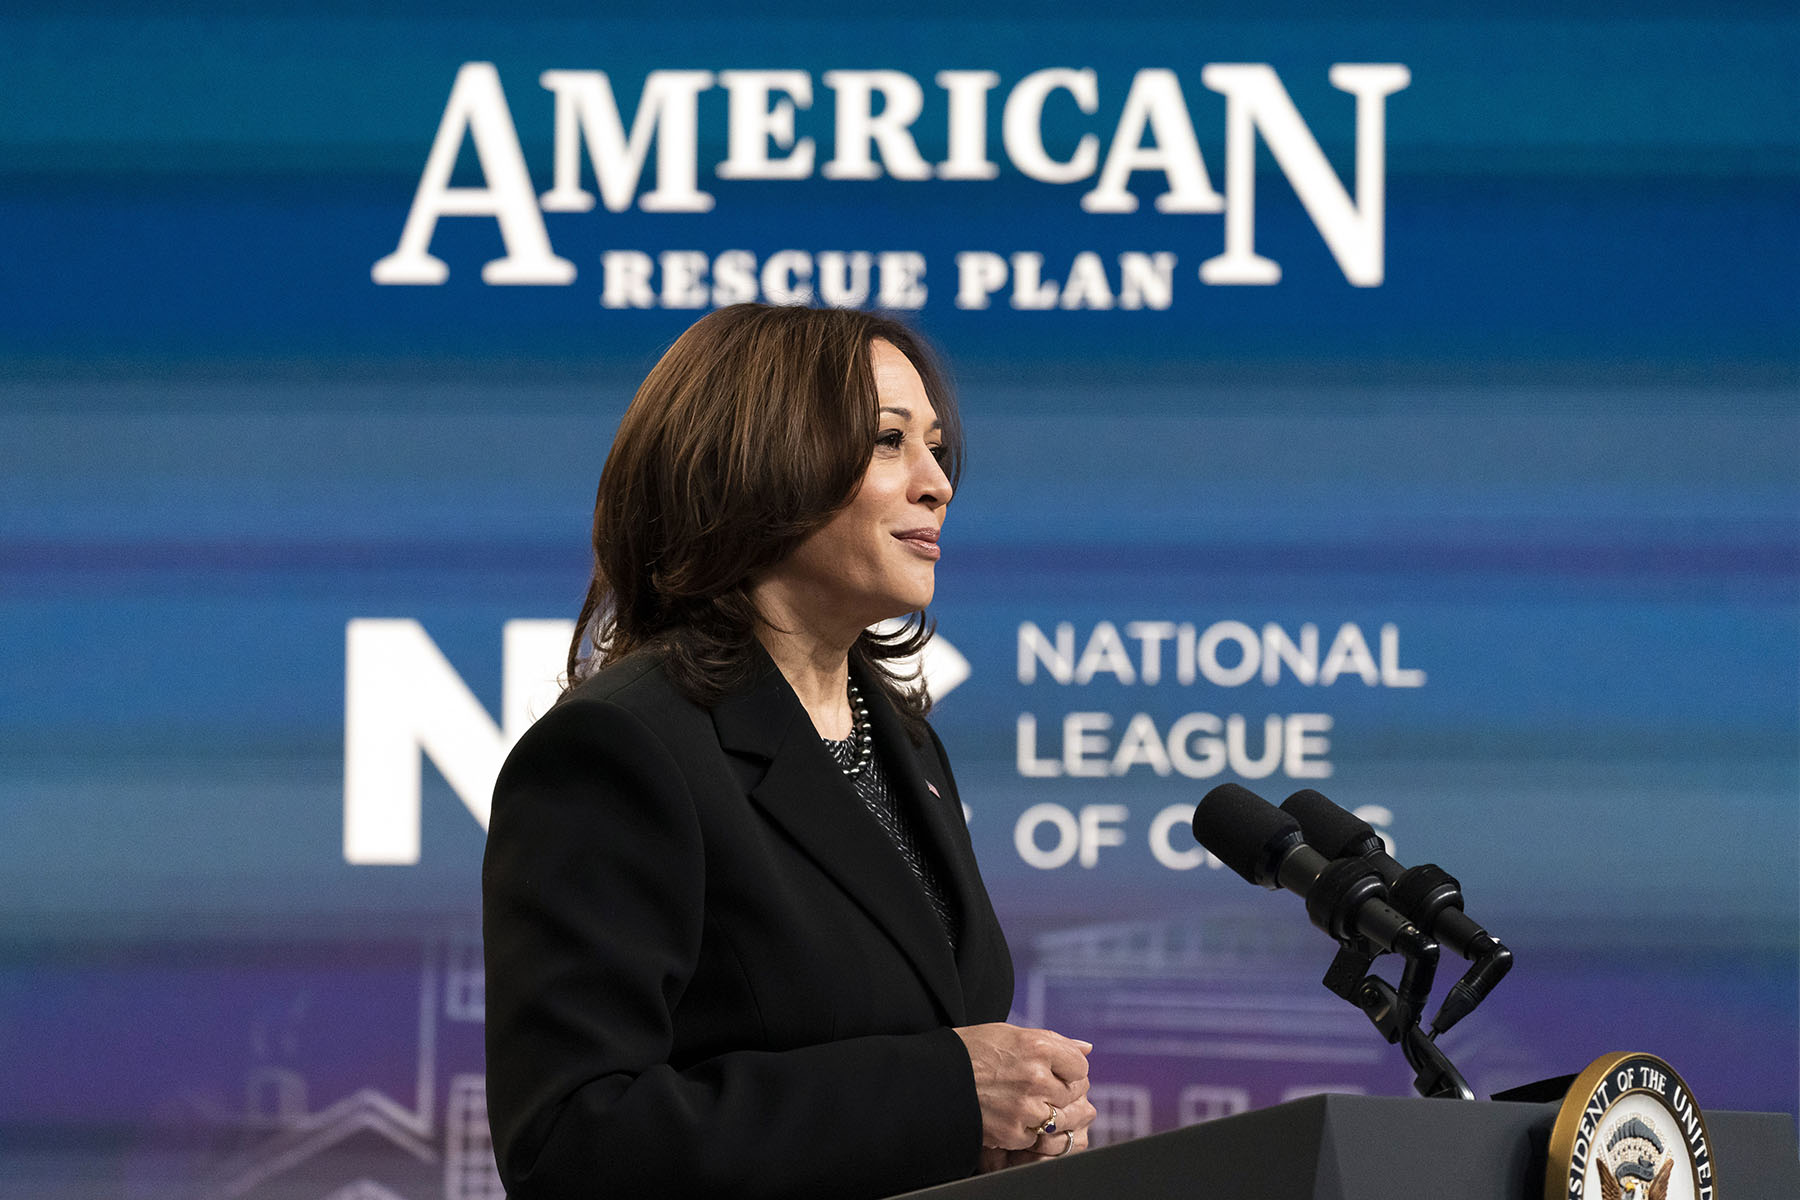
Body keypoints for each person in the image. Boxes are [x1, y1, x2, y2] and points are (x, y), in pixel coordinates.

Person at [482, 304, 1096, 1199]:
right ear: (758, 467)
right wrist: (946, 1096)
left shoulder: (906, 744)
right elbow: (572, 1145)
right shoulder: (620, 749)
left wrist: (1016, 1129)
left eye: (936, 447)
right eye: (890, 442)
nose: (937, 484)